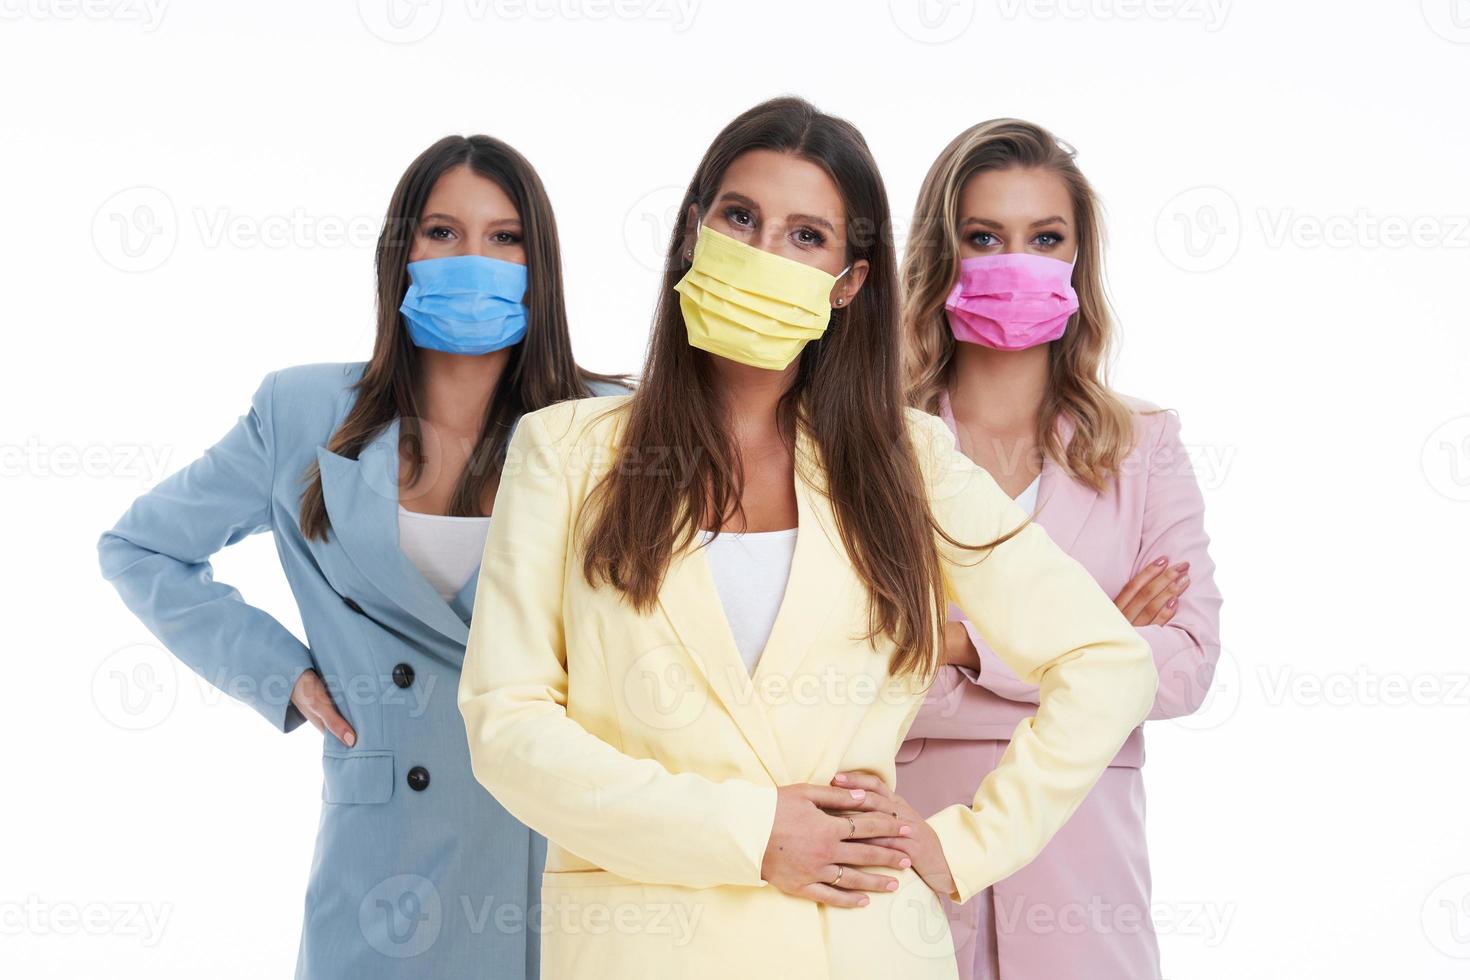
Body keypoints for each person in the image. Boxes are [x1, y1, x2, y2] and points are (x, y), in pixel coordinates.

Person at [457, 97, 1158, 979]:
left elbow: (1108, 661)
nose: (762, 254)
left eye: (806, 236)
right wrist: (752, 834)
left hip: (859, 945)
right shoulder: (563, 452)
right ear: (691, 233)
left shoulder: (908, 462)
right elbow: (507, 728)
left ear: (850, 282)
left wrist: (962, 847)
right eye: (740, 218)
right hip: (639, 951)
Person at [97, 134, 630, 979]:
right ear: (401, 255)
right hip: (387, 865)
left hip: (564, 843)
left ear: (541, 263)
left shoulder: (614, 423)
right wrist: (282, 675)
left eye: (504, 238)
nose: (473, 259)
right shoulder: (303, 410)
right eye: (442, 233)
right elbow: (140, 546)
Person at [889, 118, 1223, 980]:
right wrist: (1091, 649)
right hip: (909, 858)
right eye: (984, 237)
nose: (1016, 260)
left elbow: (1184, 668)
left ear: (1080, 259)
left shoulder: (1144, 444)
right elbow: (856, 670)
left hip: (1086, 882)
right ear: (943, 253)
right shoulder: (872, 448)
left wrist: (962, 644)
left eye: (1046, 238)